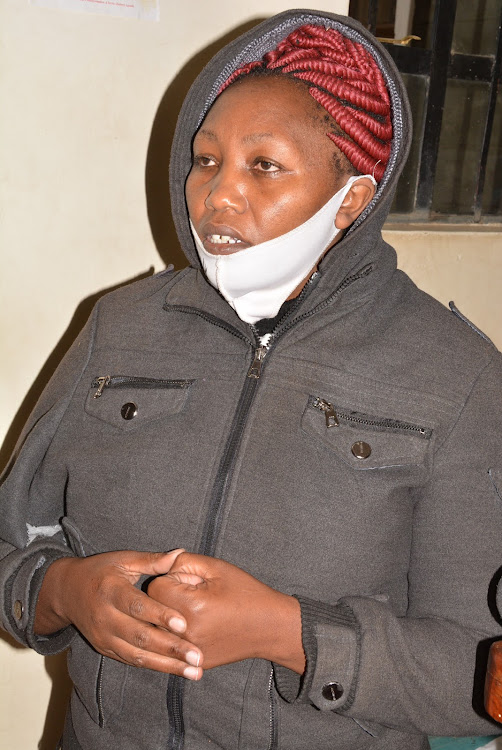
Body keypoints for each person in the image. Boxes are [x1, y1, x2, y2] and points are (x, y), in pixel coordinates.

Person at [1, 9, 501, 750]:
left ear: (355, 197)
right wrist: (63, 591)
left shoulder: (456, 375)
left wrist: (289, 634)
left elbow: (479, 677)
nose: (218, 197)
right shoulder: (121, 325)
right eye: (207, 161)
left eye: (263, 166)